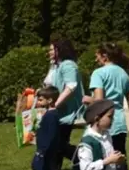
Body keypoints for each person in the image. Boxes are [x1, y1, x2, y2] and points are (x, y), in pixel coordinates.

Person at [87, 42, 129, 165]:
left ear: (104, 56)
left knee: (104, 160)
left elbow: (99, 101)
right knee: (120, 158)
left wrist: (88, 100)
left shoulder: (98, 73)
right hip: (120, 123)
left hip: (104, 123)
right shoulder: (124, 74)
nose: (96, 59)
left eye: (97, 56)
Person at [45, 37, 85, 165]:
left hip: (66, 112)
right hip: (57, 111)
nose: (49, 52)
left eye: (52, 49)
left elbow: (71, 87)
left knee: (59, 144)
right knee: (56, 145)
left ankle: (82, 157)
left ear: (60, 50)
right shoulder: (56, 66)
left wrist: (55, 105)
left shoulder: (68, 65)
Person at [76, 99, 126, 170]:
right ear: (97, 119)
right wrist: (107, 161)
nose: (113, 119)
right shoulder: (87, 142)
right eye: (110, 116)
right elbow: (85, 168)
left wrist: (115, 158)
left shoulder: (106, 134)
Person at [32, 86, 62, 170]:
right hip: (46, 151)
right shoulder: (51, 113)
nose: (38, 102)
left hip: (45, 152)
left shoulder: (51, 115)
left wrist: (43, 151)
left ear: (49, 100)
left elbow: (51, 135)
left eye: (40, 100)